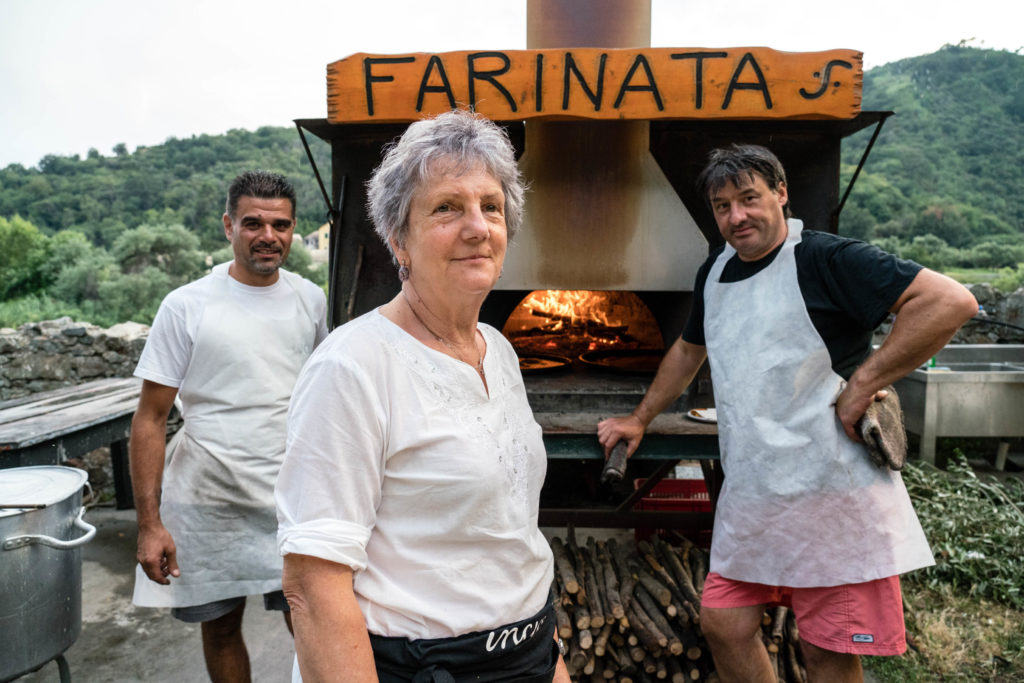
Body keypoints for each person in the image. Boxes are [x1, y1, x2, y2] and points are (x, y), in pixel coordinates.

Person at [597, 144, 978, 683]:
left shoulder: (826, 258)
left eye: (749, 198)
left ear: (780, 193)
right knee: (725, 625)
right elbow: (688, 349)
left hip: (830, 491)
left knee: (827, 652)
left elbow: (948, 301)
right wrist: (640, 418)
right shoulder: (717, 271)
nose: (736, 216)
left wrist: (864, 382)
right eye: (722, 205)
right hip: (754, 492)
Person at [276, 109, 570, 683]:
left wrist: (549, 656)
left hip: (528, 655)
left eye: (491, 206)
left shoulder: (498, 349)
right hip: (422, 668)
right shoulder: (352, 365)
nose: (478, 226)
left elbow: (512, 532)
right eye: (446, 208)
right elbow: (313, 586)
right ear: (398, 240)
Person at [130, 170, 328, 683]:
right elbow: (150, 419)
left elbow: (324, 396)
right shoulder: (186, 306)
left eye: (280, 224)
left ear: (292, 228)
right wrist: (150, 525)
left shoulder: (310, 300)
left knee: (312, 623)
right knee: (219, 630)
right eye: (253, 223)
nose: (268, 236)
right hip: (207, 498)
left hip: (288, 495)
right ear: (228, 226)